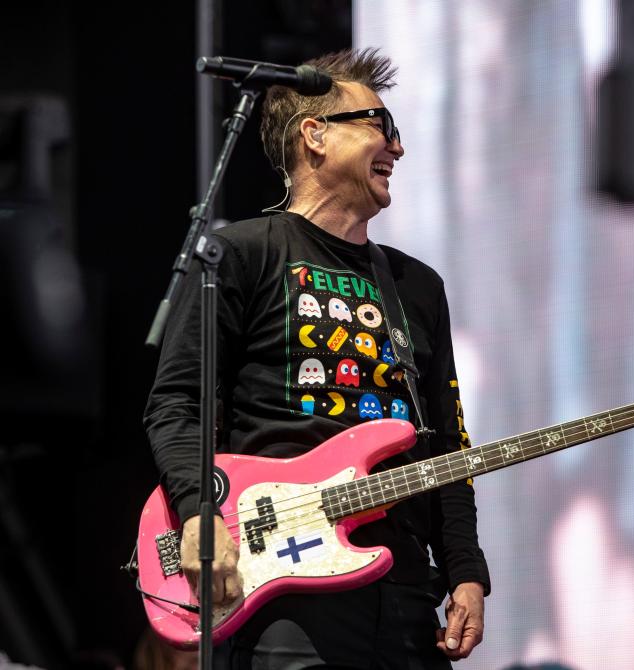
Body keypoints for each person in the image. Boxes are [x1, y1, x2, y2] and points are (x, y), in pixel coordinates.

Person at [144, 48, 490, 669]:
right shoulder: (240, 255)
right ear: (315, 135)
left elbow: (448, 446)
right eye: (381, 127)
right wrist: (199, 513)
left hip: (406, 594)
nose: (398, 149)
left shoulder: (417, 285)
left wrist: (466, 570)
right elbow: (175, 405)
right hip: (287, 599)